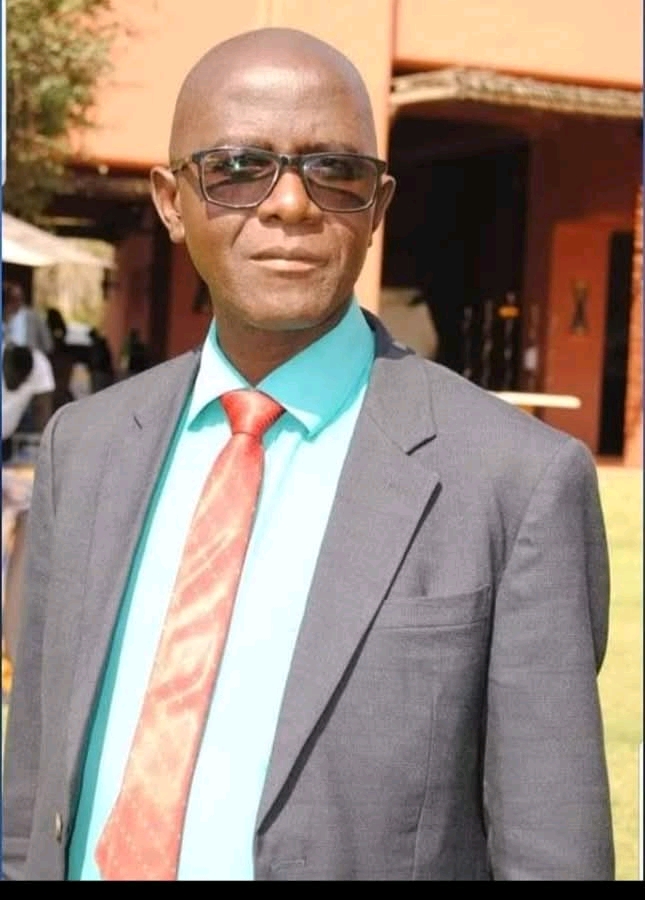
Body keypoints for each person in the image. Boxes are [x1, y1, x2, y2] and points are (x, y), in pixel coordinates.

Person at [2, 28, 614, 881]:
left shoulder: (515, 482)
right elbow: (32, 788)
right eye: (237, 167)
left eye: (335, 171)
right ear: (171, 201)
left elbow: (553, 853)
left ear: (377, 206)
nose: (290, 203)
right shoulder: (88, 446)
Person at [3, 282, 54, 357]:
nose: (16, 302)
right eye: (12, 298)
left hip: (31, 357)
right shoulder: (4, 315)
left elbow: (48, 344)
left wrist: (37, 353)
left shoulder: (34, 316)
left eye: (18, 298)